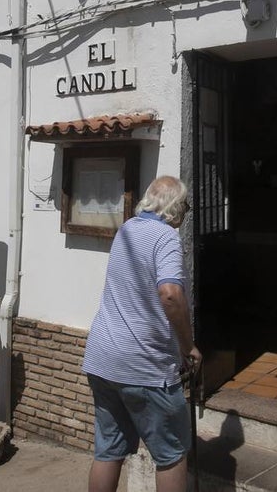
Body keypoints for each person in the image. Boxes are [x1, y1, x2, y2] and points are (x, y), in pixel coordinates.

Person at [82, 175, 203, 492]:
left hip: (103, 359)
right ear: (176, 208)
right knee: (172, 454)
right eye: (185, 206)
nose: (185, 214)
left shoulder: (126, 229)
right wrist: (188, 346)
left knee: (109, 450)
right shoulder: (165, 237)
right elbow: (170, 295)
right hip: (144, 365)